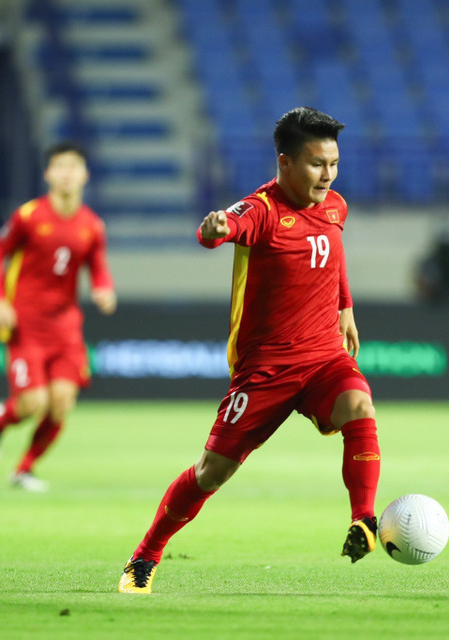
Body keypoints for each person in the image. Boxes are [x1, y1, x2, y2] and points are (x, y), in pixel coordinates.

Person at [118, 107, 381, 594]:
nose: (328, 175)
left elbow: (334, 253)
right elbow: (219, 229)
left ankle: (363, 519)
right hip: (265, 369)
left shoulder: (336, 206)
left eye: (334, 163)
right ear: (284, 162)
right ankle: (145, 555)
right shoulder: (261, 209)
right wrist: (213, 230)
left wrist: (345, 306)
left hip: (324, 355)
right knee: (211, 472)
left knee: (359, 406)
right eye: (317, 164)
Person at [0, 142, 115, 492]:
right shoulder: (29, 216)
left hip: (66, 326)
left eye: (74, 167)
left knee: (60, 405)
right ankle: (0, 419)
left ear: (85, 174)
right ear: (48, 174)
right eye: (60, 166)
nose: (67, 173)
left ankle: (23, 470)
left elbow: (97, 267)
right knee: (32, 404)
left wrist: (104, 288)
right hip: (25, 322)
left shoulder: (92, 226)